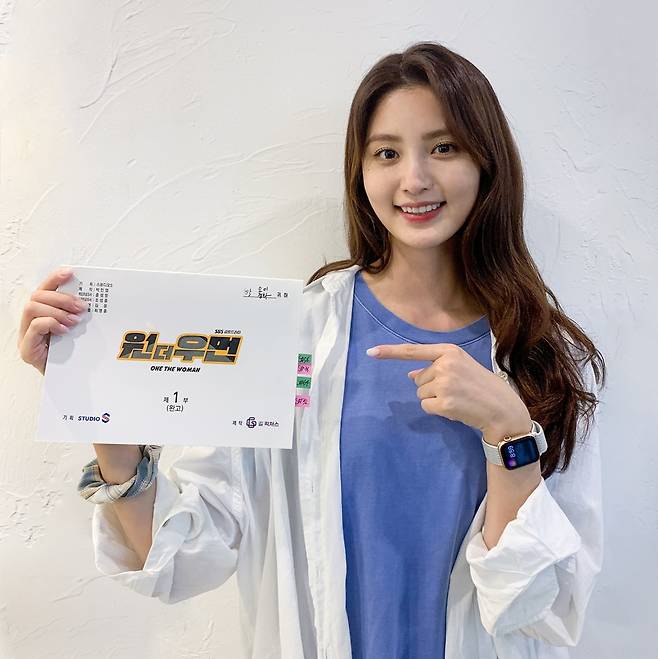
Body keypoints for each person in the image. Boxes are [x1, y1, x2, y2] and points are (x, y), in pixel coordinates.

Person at [18, 41, 606, 659]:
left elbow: (546, 611)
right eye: (387, 153)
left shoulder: (542, 355)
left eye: (444, 147)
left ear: (487, 160)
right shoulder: (294, 335)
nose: (414, 179)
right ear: (360, 170)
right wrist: (103, 408)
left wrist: (510, 434)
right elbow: (181, 558)